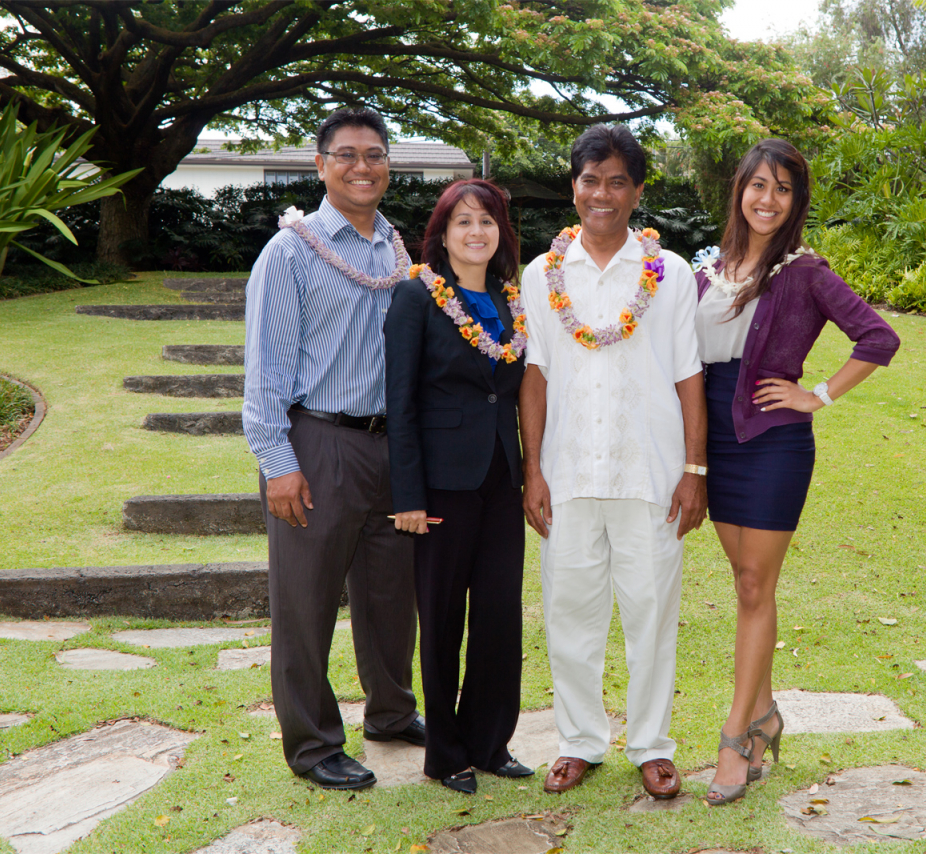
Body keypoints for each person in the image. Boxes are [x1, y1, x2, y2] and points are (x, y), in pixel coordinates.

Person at [694, 139, 900, 804]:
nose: (767, 199)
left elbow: (878, 338)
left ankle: (734, 737)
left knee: (756, 583)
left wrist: (818, 394)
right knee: (749, 584)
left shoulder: (805, 271)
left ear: (796, 201)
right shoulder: (707, 272)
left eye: (783, 188)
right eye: (758, 185)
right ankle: (766, 717)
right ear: (739, 191)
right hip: (716, 445)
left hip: (774, 443)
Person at [518, 124, 707, 800]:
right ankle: (579, 742)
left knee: (651, 611)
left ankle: (652, 744)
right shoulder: (541, 276)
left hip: (649, 473)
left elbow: (689, 375)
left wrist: (694, 470)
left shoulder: (671, 272)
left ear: (637, 191)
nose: (602, 193)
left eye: (617, 180)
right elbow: (534, 375)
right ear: (574, 186)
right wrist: (532, 468)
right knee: (569, 610)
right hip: (567, 473)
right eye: (590, 179)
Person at [242, 107, 425, 791]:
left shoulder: (396, 250)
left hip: (392, 446)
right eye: (345, 154)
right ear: (320, 166)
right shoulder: (289, 252)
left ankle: (391, 712)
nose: (361, 166)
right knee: (306, 601)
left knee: (389, 592)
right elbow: (264, 371)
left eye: (374, 154)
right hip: (316, 442)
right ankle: (314, 744)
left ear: (387, 165)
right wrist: (279, 465)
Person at [384, 179, 533, 794]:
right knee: (442, 616)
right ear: (442, 234)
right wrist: (409, 497)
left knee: (499, 614)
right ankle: (445, 751)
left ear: (501, 233)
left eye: (488, 222)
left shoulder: (510, 297)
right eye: (463, 222)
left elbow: (512, 387)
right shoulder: (415, 297)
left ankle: (490, 740)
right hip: (441, 484)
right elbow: (401, 403)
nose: (477, 232)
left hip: (502, 475)